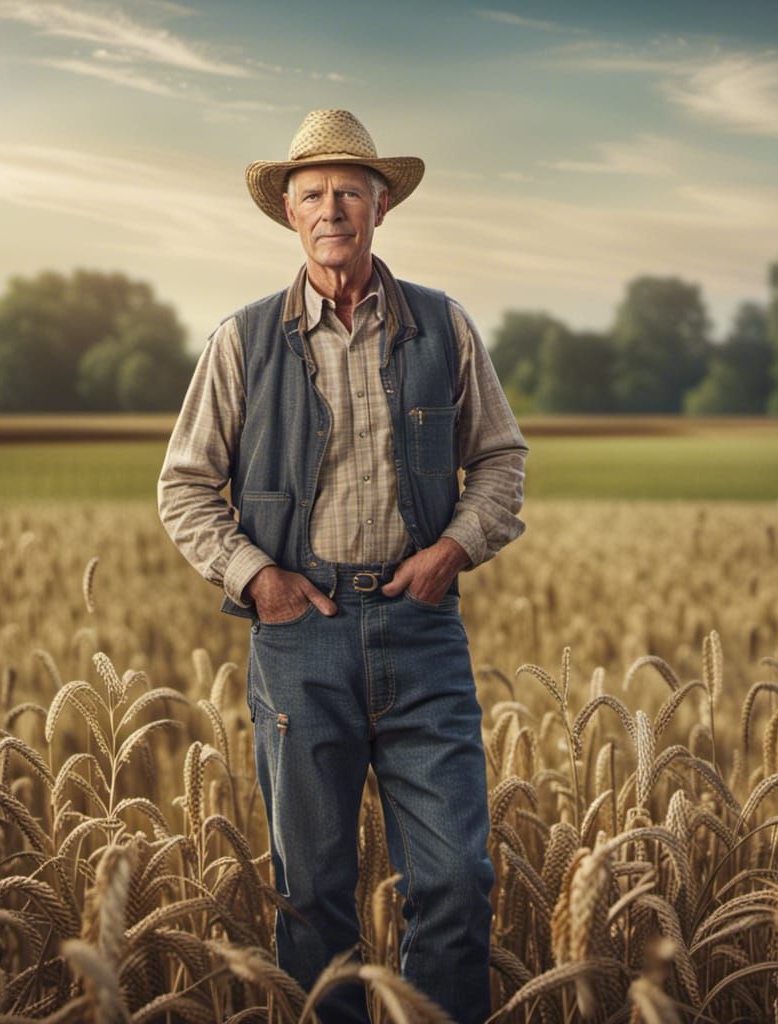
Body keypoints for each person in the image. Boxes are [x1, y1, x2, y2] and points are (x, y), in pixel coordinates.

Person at [157, 108, 528, 1024]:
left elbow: (500, 462)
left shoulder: (443, 326)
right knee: (313, 899)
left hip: (422, 632)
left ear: (381, 206)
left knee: (456, 881)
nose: (332, 210)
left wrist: (452, 551)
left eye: (350, 193)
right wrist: (258, 579)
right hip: (301, 641)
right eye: (314, 194)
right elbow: (184, 487)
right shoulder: (243, 339)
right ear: (289, 212)